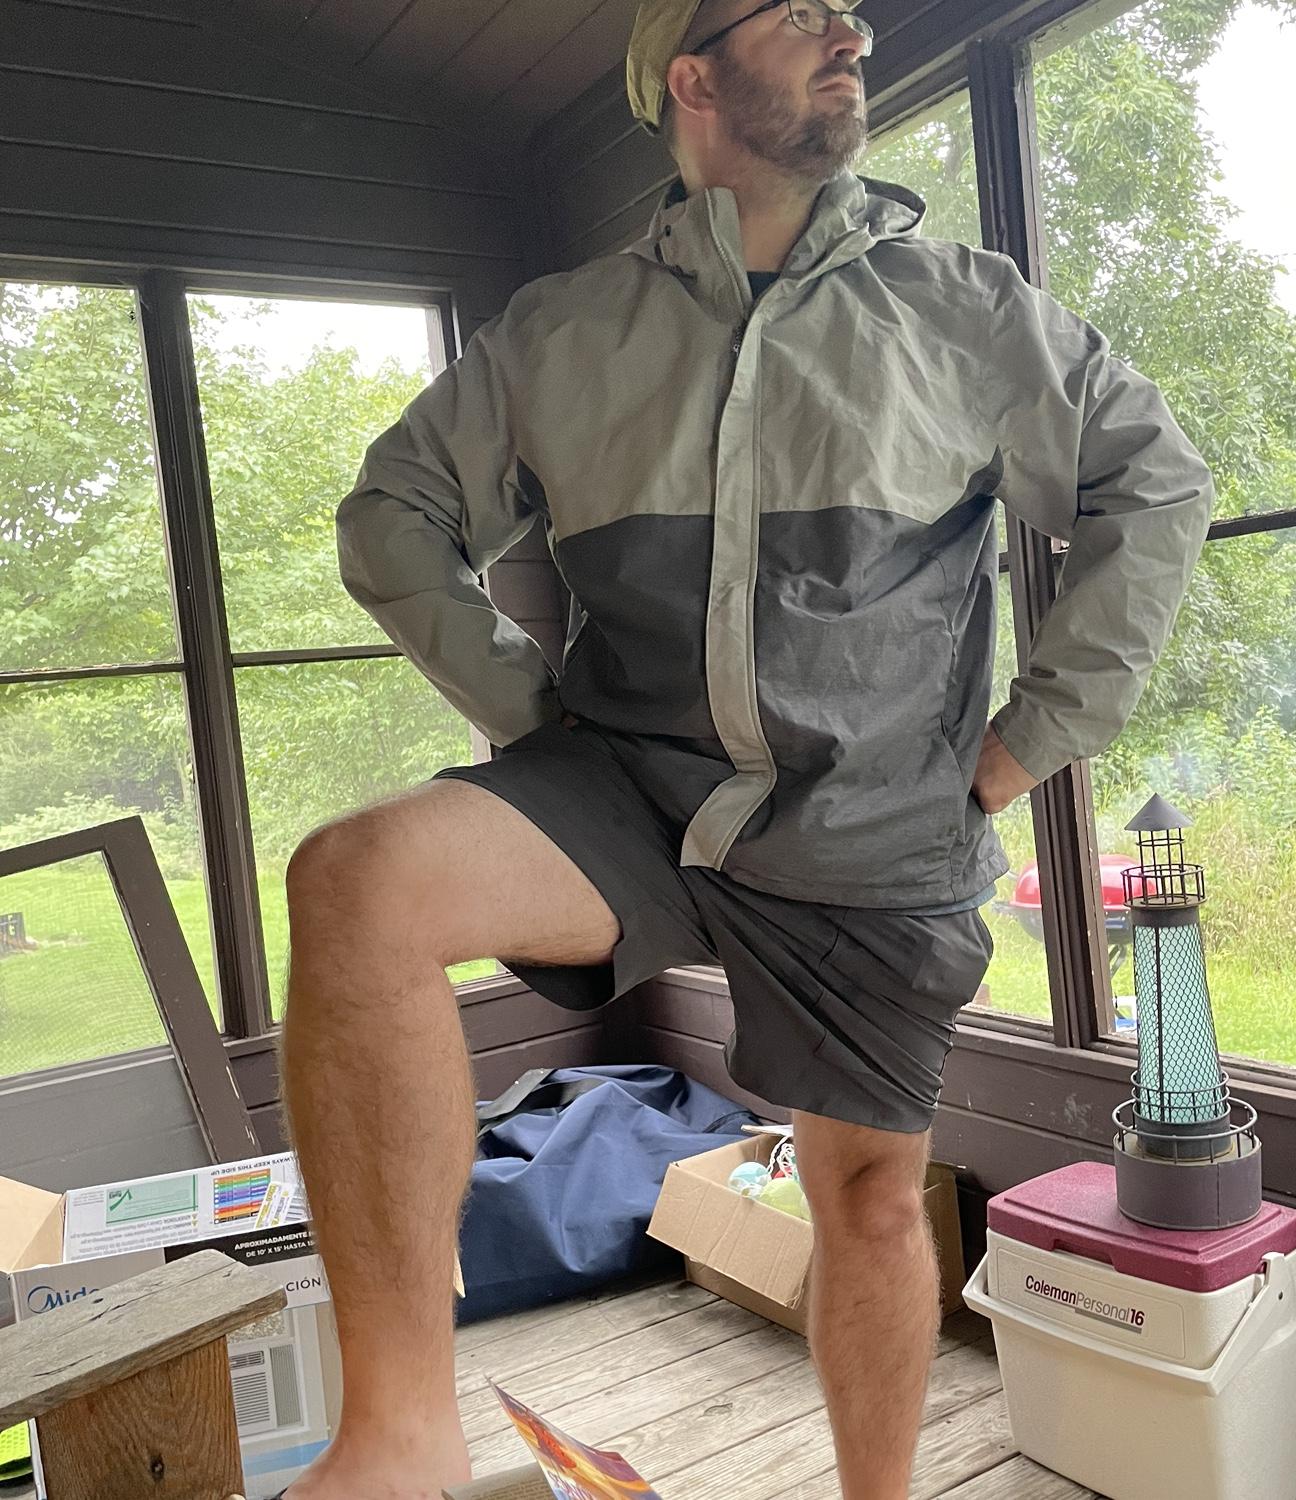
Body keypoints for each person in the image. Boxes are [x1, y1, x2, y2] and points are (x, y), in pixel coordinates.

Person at [276, 2, 1214, 1497]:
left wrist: (1028, 742)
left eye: (851, 11)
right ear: (693, 75)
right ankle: (397, 1440)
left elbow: (1152, 487)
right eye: (802, 7)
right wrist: (527, 713)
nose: (849, 28)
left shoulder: (970, 311)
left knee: (868, 1191)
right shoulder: (560, 331)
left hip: (878, 823)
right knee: (355, 879)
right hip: (624, 784)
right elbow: (391, 516)